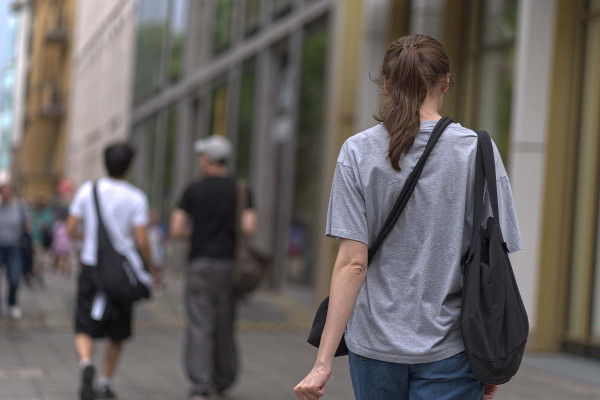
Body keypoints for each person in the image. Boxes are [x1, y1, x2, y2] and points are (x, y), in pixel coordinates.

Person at [294, 34, 522, 400]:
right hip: (453, 346)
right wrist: (490, 352)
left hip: (373, 346)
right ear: (446, 81)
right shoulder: (477, 150)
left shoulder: (357, 151)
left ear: (386, 84)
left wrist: (322, 364)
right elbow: (497, 254)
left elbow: (352, 264)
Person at [66, 143, 156, 400]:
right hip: (120, 272)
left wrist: (89, 238)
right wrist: (149, 267)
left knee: (84, 323)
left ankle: (86, 363)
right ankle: (105, 382)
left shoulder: (87, 190)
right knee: (117, 331)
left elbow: (71, 229)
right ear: (129, 166)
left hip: (91, 266)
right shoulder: (136, 197)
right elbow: (141, 240)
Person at [170, 135, 257, 400]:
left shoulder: (193, 189)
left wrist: (194, 234)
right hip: (228, 266)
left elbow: (176, 229)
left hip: (199, 264)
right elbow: (248, 227)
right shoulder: (241, 189)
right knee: (225, 322)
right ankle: (223, 379)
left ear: (207, 159)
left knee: (199, 323)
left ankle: (200, 384)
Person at [0, 184, 27, 319]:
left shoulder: (19, 206)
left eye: (7, 192)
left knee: (14, 277)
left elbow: (27, 226)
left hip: (14, 248)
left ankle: (12, 303)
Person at [31, 193, 54, 283]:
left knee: (41, 260)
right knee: (36, 259)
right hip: (34, 239)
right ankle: (35, 273)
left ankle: (38, 273)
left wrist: (44, 227)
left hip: (43, 240)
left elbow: (50, 223)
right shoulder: (33, 211)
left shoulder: (47, 213)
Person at [51, 207, 73, 276]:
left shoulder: (57, 224)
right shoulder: (68, 224)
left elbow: (53, 233)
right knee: (65, 257)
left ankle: (62, 269)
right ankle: (64, 268)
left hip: (59, 244)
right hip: (66, 244)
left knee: (61, 257)